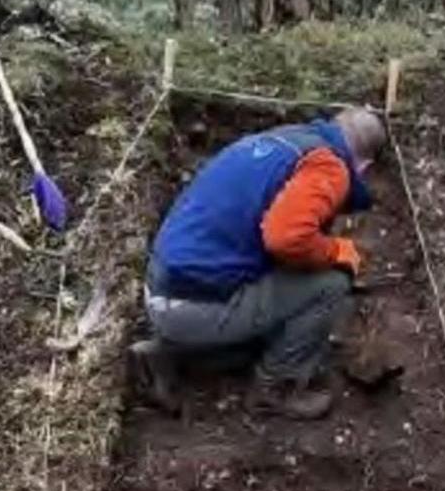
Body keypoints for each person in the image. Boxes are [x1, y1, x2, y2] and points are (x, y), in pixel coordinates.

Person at [131, 108, 387, 420]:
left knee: (280, 300)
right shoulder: (328, 166)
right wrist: (336, 252)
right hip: (194, 302)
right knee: (330, 284)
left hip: (168, 286)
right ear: (366, 165)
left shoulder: (283, 140)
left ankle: (166, 356)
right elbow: (286, 239)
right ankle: (276, 388)